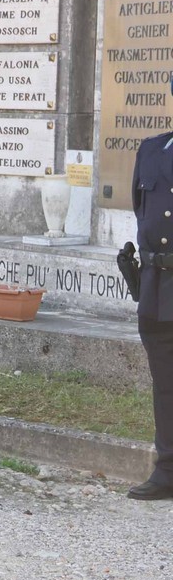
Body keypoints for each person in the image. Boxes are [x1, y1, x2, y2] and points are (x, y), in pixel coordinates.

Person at [127, 115, 173, 500]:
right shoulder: (152, 149)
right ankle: (168, 469)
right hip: (157, 286)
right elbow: (142, 210)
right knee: (165, 384)